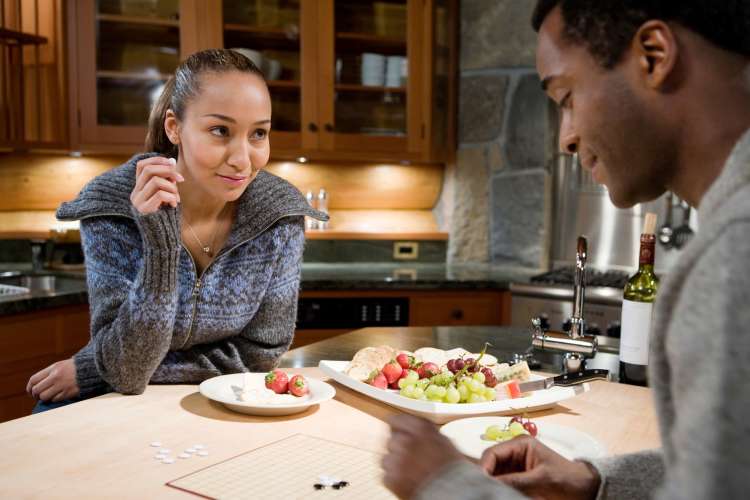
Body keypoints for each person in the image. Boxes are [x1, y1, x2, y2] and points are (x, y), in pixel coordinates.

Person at [383, 1, 750, 498]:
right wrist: (598, 481)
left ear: (653, 55)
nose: (566, 139)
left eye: (567, 96)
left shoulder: (731, 260)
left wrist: (445, 484)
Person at [26, 49, 327, 411]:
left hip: (221, 398)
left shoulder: (278, 213)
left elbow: (259, 357)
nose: (242, 159)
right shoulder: (111, 205)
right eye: (220, 130)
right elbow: (126, 371)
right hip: (110, 400)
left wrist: (94, 366)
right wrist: (161, 247)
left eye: (258, 133)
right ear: (174, 127)